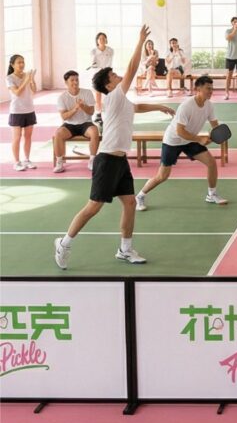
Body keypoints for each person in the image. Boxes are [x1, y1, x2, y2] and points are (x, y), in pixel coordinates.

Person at [54, 25, 175, 269]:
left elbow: (136, 107)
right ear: (109, 85)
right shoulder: (114, 96)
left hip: (120, 160)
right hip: (107, 160)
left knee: (130, 203)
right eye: (114, 75)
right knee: (93, 207)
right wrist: (140, 42)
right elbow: (132, 68)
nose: (119, 76)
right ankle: (64, 243)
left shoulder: (120, 100)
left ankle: (125, 250)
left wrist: (159, 106)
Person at [136, 75, 227, 211]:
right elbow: (180, 131)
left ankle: (211, 194)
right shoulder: (186, 106)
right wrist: (199, 139)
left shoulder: (209, 106)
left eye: (211, 88)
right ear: (198, 89)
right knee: (162, 176)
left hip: (189, 140)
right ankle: (140, 196)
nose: (211, 91)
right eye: (208, 88)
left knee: (211, 163)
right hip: (173, 141)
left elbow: (215, 126)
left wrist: (216, 135)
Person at [53, 70, 99, 173]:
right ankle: (59, 163)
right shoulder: (62, 97)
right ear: (66, 82)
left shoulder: (87, 93)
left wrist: (82, 106)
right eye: (72, 80)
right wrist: (75, 109)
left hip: (85, 123)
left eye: (77, 80)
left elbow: (91, 112)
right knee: (58, 134)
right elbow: (64, 117)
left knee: (94, 131)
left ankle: (92, 161)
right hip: (69, 125)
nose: (75, 82)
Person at [6, 55, 37, 171]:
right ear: (12, 65)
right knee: (17, 137)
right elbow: (17, 92)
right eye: (19, 62)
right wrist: (26, 80)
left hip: (29, 110)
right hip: (16, 111)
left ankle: (27, 160)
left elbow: (34, 90)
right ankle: (17, 162)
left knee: (28, 137)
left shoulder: (26, 76)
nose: (22, 64)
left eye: (23, 62)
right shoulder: (9, 78)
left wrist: (32, 79)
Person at [90, 32, 113, 123]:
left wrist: (105, 72)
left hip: (107, 74)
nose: (102, 40)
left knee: (109, 94)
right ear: (97, 41)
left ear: (106, 40)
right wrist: (97, 68)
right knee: (98, 95)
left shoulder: (110, 50)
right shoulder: (93, 51)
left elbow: (109, 63)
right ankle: (98, 114)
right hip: (97, 75)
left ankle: (110, 112)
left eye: (103, 38)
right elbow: (93, 63)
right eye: (100, 38)